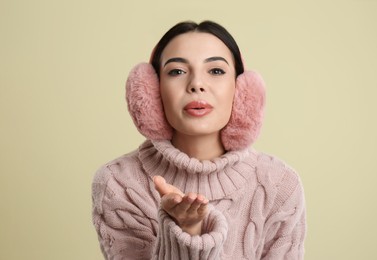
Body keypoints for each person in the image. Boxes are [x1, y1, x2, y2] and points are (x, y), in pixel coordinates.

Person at [92, 20, 306, 259]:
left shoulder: (280, 185)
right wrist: (187, 232)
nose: (196, 84)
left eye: (216, 71)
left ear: (243, 90)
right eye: (177, 71)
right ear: (151, 91)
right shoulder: (117, 183)